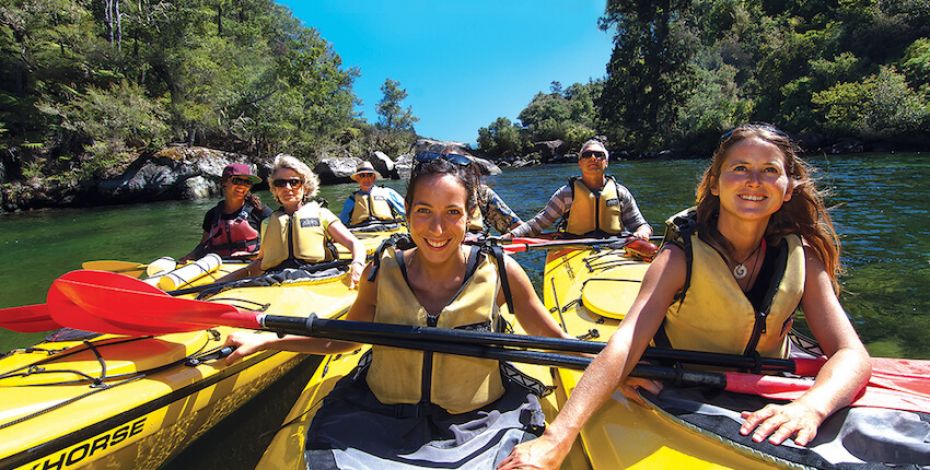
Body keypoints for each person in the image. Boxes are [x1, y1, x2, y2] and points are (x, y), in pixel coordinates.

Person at [498, 124, 872, 469]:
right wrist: (557, 437)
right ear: (714, 183)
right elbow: (625, 343)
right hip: (678, 384)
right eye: (739, 168)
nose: (754, 181)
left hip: (768, 390)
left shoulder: (803, 257)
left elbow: (851, 353)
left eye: (770, 170)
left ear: (788, 187)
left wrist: (812, 407)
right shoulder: (680, 255)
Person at [224, 153, 573, 467]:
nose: (437, 229)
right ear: (406, 213)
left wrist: (616, 376)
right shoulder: (381, 271)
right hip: (378, 422)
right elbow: (340, 341)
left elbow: (557, 343)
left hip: (482, 424)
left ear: (470, 216)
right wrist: (268, 341)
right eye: (424, 211)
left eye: (452, 213)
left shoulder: (500, 272)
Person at [219, 154, 367, 288]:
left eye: (294, 182)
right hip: (276, 281)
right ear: (275, 189)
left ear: (305, 187)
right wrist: (221, 283)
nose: (287, 188)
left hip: (317, 277)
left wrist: (357, 264)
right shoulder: (268, 223)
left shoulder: (322, 215)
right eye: (280, 183)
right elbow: (259, 264)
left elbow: (356, 245)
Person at [503, 139, 652, 240]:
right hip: (575, 249)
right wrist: (510, 237)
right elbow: (536, 225)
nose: (593, 158)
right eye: (587, 155)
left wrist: (642, 232)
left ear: (606, 163)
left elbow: (640, 224)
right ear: (580, 163)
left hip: (615, 248)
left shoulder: (621, 193)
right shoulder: (566, 194)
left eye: (599, 155)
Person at [181, 163, 272, 261]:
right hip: (218, 265)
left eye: (247, 182)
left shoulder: (260, 211)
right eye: (237, 180)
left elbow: (277, 245)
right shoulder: (212, 215)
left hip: (250, 265)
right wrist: (190, 256)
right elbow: (203, 245)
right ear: (224, 182)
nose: (242, 186)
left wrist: (252, 254)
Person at [338, 161, 406, 227]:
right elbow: (342, 220)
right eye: (362, 175)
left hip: (387, 229)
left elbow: (407, 211)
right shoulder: (352, 199)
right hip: (360, 232)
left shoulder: (387, 193)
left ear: (374, 177)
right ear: (357, 178)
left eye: (369, 175)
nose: (366, 178)